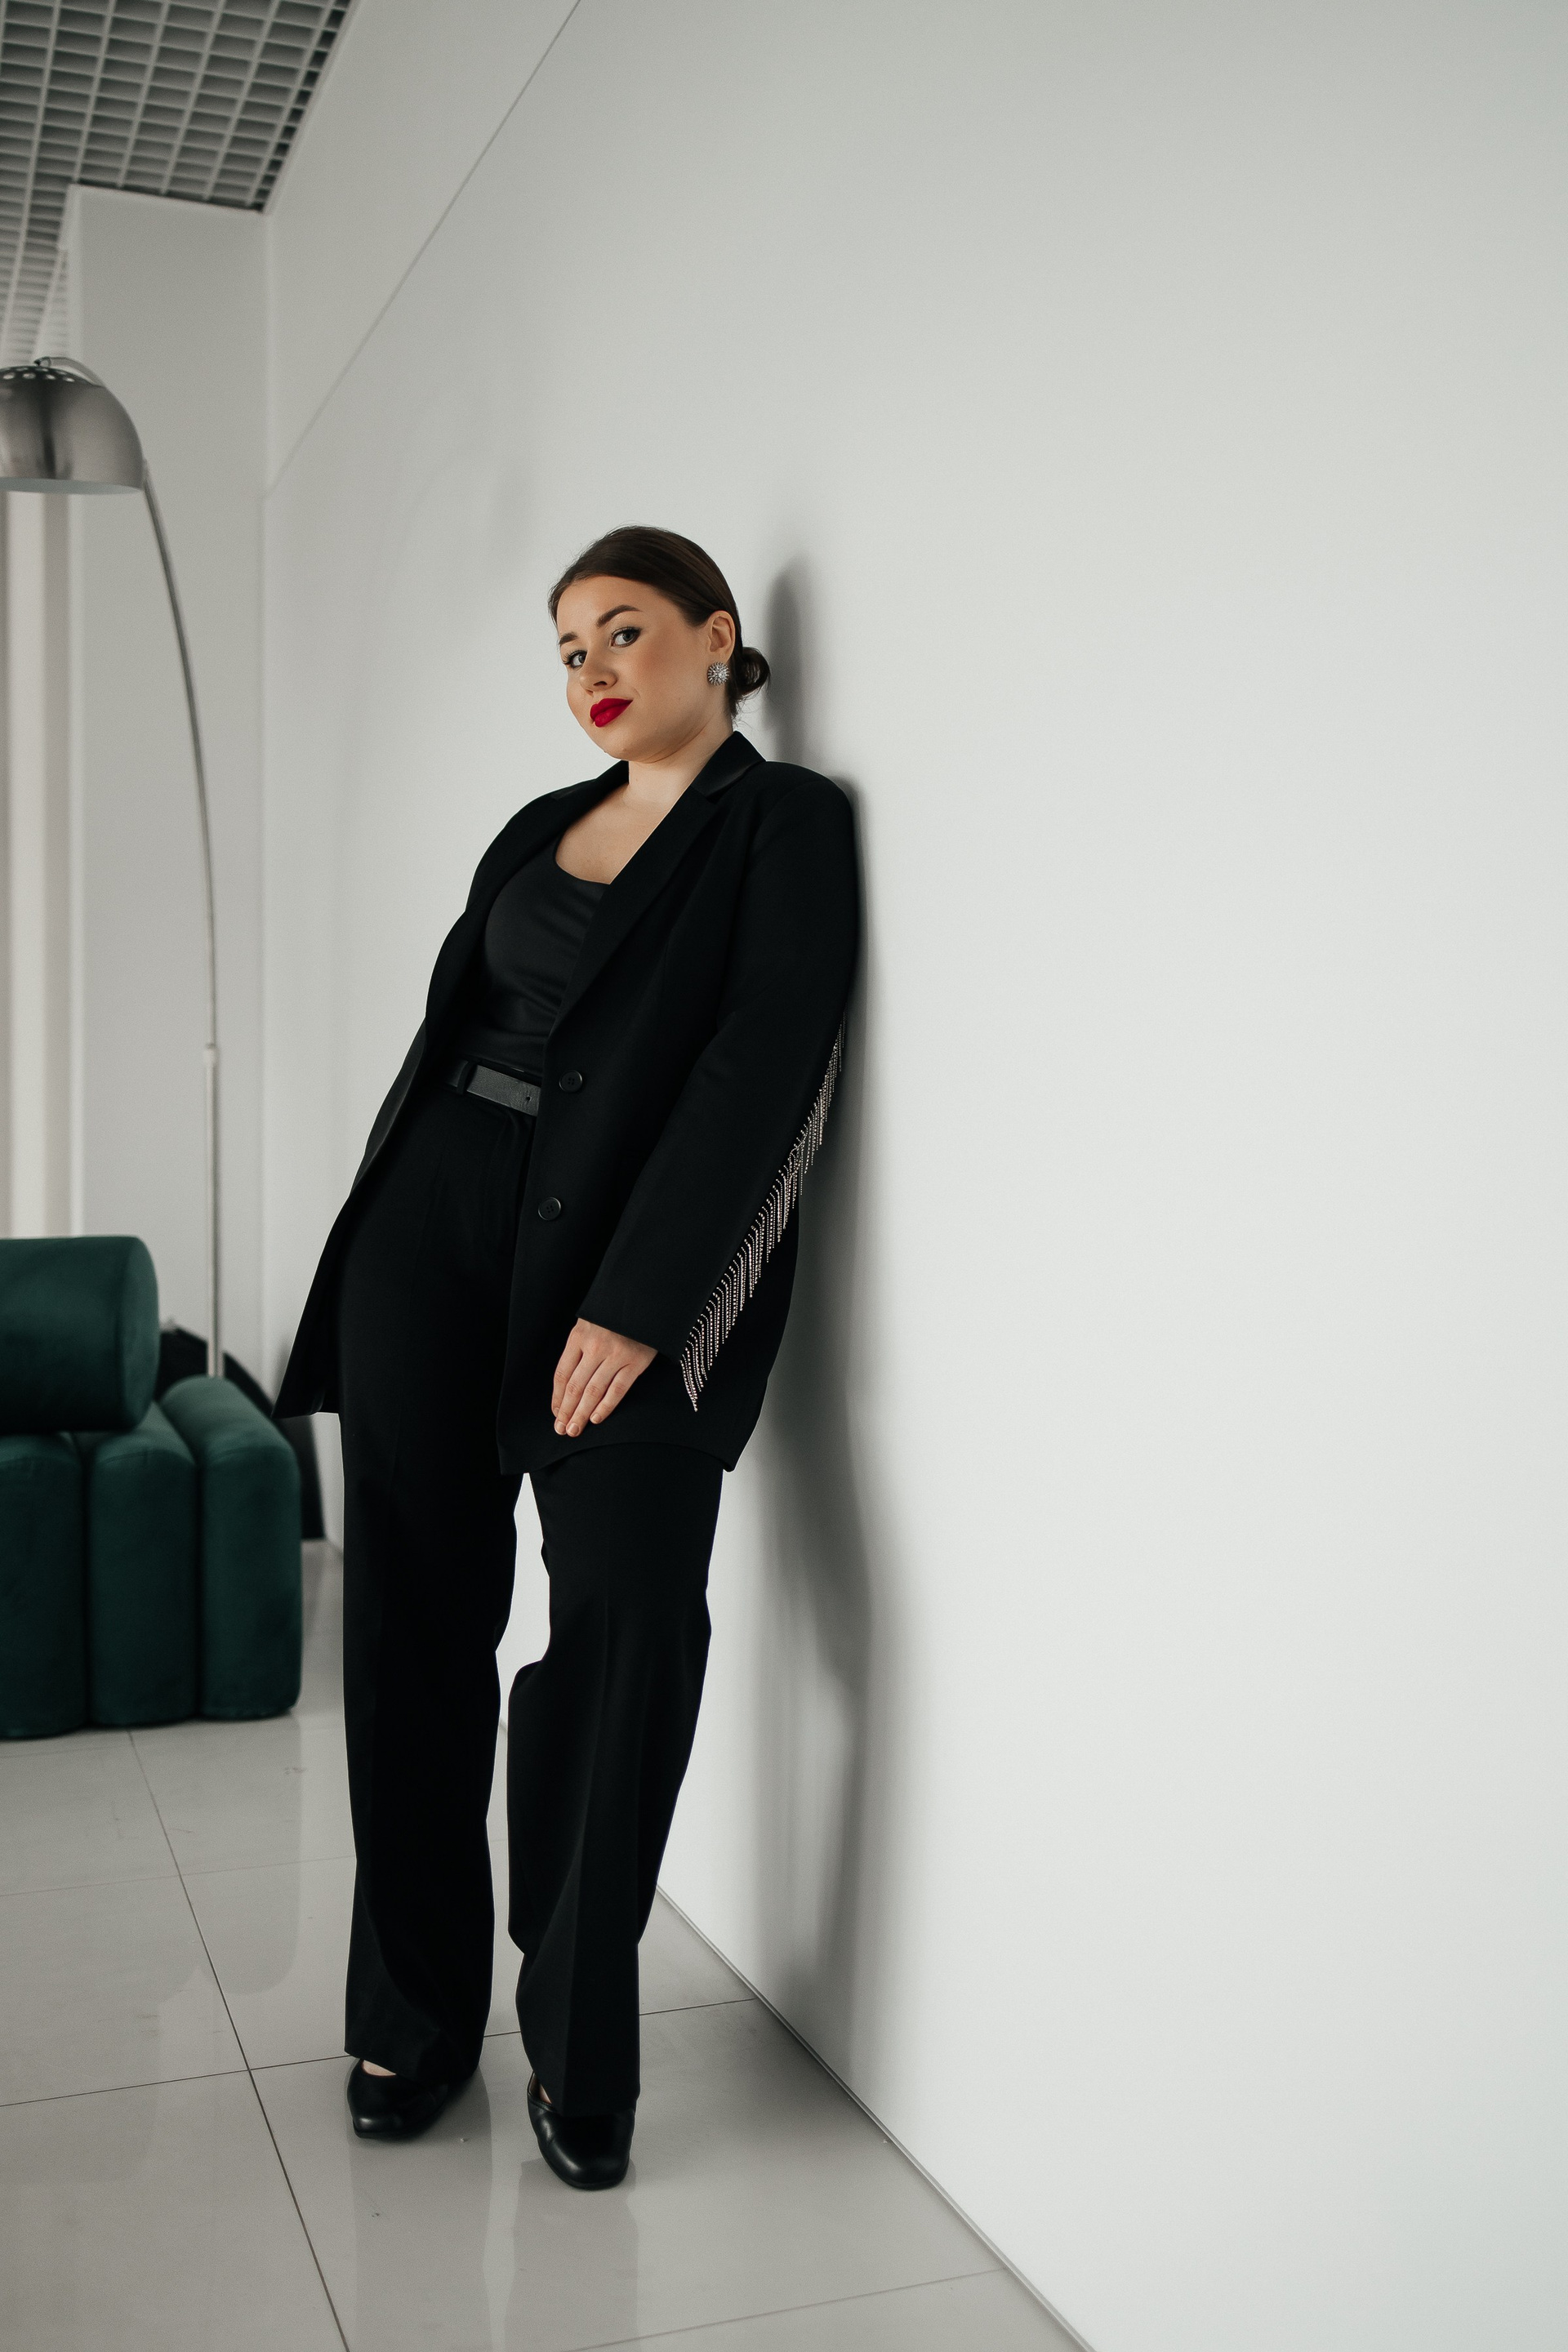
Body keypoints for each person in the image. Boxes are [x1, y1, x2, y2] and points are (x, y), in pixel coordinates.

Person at [275, 525, 859, 2189]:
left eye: (624, 631)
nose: (593, 670)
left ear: (716, 638)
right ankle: (412, 2011)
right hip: (435, 1229)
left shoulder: (782, 823)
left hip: (626, 1259)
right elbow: (461, 1028)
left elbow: (764, 1063)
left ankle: (582, 2032)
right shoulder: (540, 827)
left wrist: (643, 1301)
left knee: (629, 1622)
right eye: (567, 649)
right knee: (410, 1619)